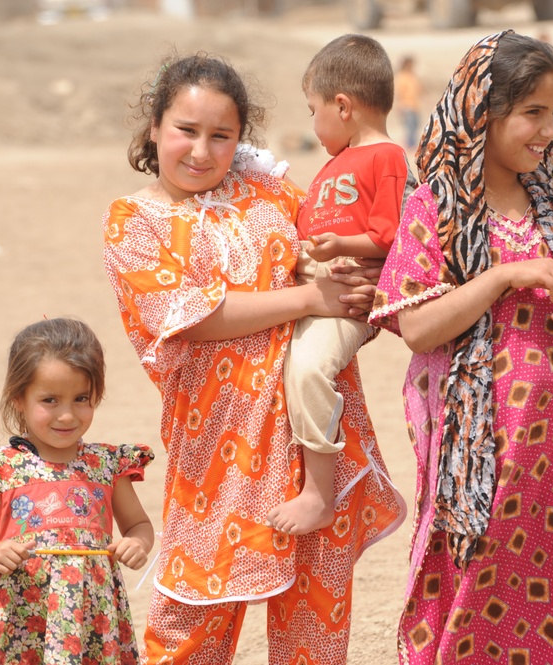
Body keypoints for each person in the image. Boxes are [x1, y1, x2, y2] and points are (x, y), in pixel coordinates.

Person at [102, 53, 404, 664]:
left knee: (315, 633)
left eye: (223, 136)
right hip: (216, 454)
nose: (202, 151)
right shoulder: (133, 221)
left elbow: (343, 241)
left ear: (242, 139)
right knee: (189, 631)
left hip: (316, 447)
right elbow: (194, 317)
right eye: (186, 130)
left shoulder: (270, 190)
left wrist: (354, 287)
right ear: (154, 127)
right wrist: (311, 296)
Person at [370, 31, 553, 664]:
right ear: (484, 111)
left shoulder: (552, 201)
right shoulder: (435, 207)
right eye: (533, 112)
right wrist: (502, 276)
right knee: (473, 573)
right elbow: (417, 327)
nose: (547, 130)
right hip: (478, 449)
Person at [0, 317, 154, 665]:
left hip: (94, 621)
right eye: (50, 400)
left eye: (81, 398)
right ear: (18, 399)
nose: (67, 415)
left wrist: (136, 544)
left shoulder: (107, 465)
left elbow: (139, 526)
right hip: (21, 620)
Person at [266, 34, 414, 536]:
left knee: (308, 370)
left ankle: (319, 493)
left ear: (343, 105)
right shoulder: (333, 164)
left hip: (347, 294)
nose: (313, 123)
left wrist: (337, 246)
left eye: (314, 109)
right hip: (316, 283)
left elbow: (393, 234)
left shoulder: (388, 157)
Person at [393, 55, 423, 152]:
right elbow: (398, 92)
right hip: (406, 105)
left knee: (415, 125)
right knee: (409, 126)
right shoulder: (401, 76)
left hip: (415, 105)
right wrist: (399, 106)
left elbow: (418, 90)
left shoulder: (412, 76)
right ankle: (409, 145)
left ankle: (412, 144)